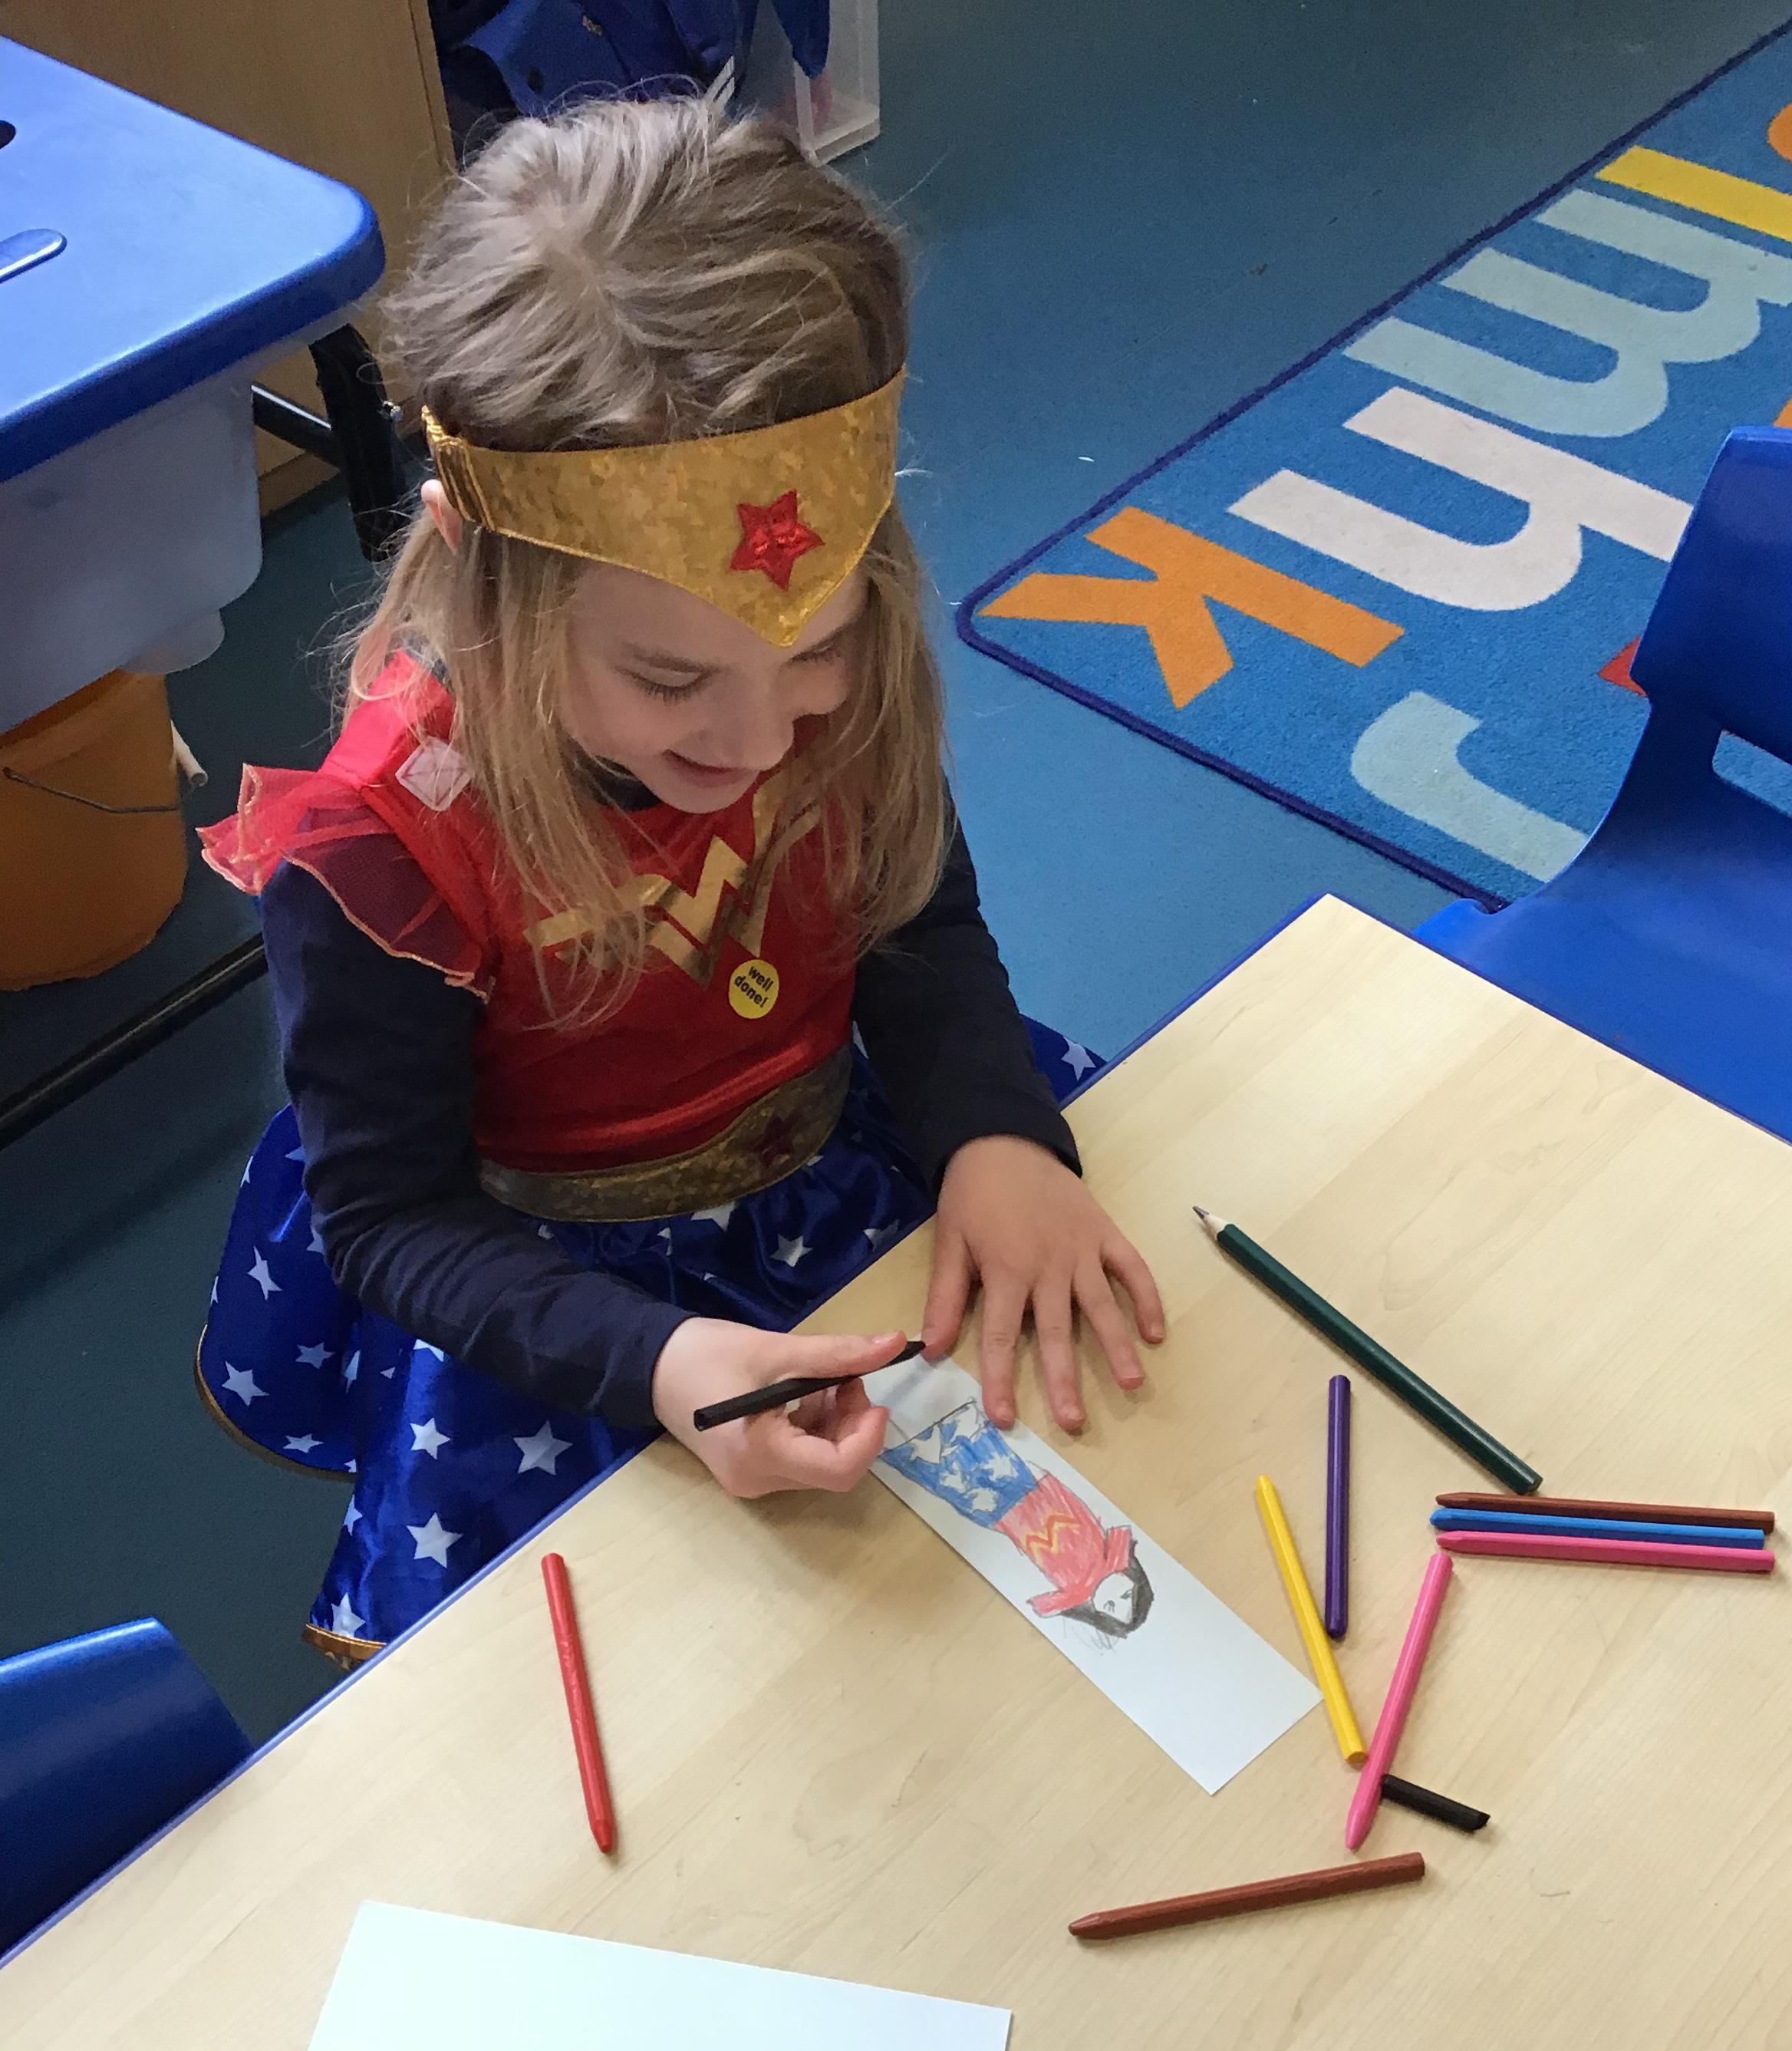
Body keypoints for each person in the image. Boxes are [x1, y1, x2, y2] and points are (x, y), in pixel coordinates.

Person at [196, 94, 1163, 1664]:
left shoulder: (824, 683)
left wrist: (992, 1131)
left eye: (821, 649)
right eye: (668, 680)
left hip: (842, 1178)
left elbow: (914, 919)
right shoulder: (384, 842)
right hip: (564, 1303)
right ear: (480, 567)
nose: (764, 737)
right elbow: (389, 1213)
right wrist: (655, 1362)